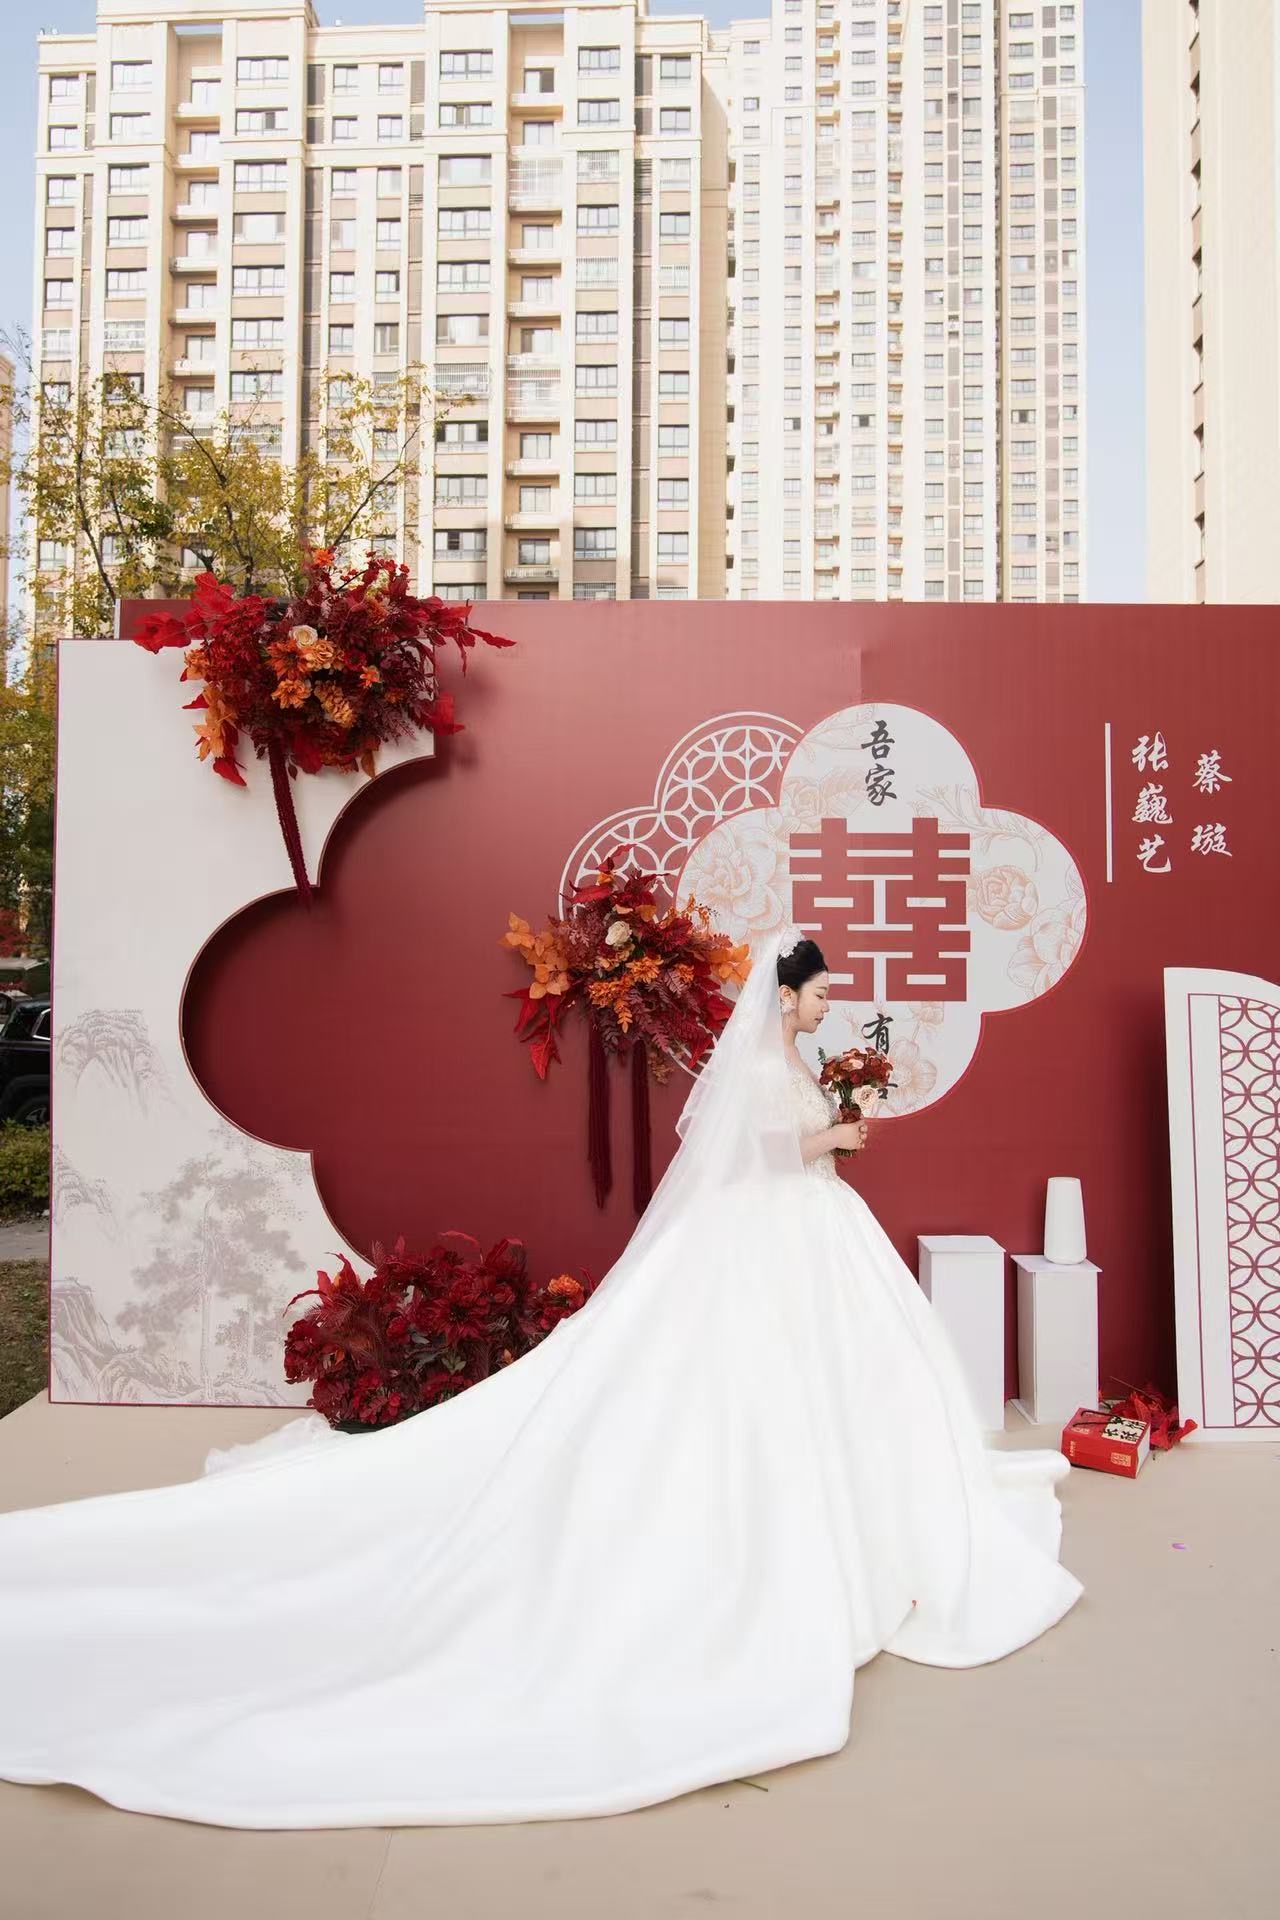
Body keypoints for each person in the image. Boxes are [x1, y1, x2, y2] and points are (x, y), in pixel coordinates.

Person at [0, 926, 1083, 1830]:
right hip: (773, 1234)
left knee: (839, 1376)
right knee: (740, 1385)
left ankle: (850, 1498)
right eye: (821, 992)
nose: (827, 1004)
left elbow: (791, 1150)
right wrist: (833, 1134)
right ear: (788, 995)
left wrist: (835, 1133)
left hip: (812, 1231)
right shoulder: (761, 1069)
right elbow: (755, 1153)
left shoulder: (795, 1060)